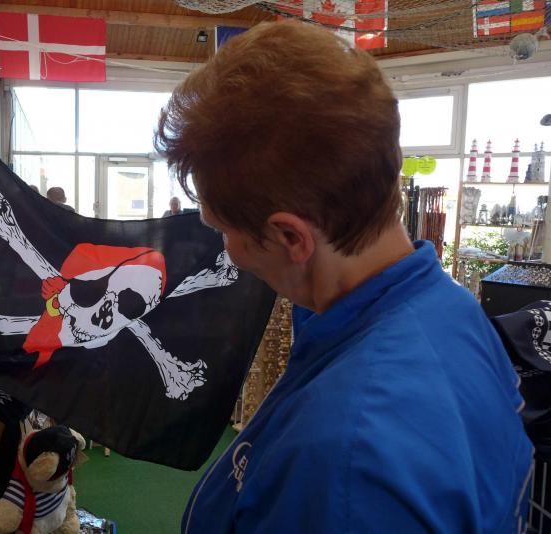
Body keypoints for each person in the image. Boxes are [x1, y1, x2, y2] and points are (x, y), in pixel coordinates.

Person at [155, 21, 533, 533]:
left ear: (291, 237)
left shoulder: (345, 467)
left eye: (223, 230)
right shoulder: (453, 310)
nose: (230, 253)